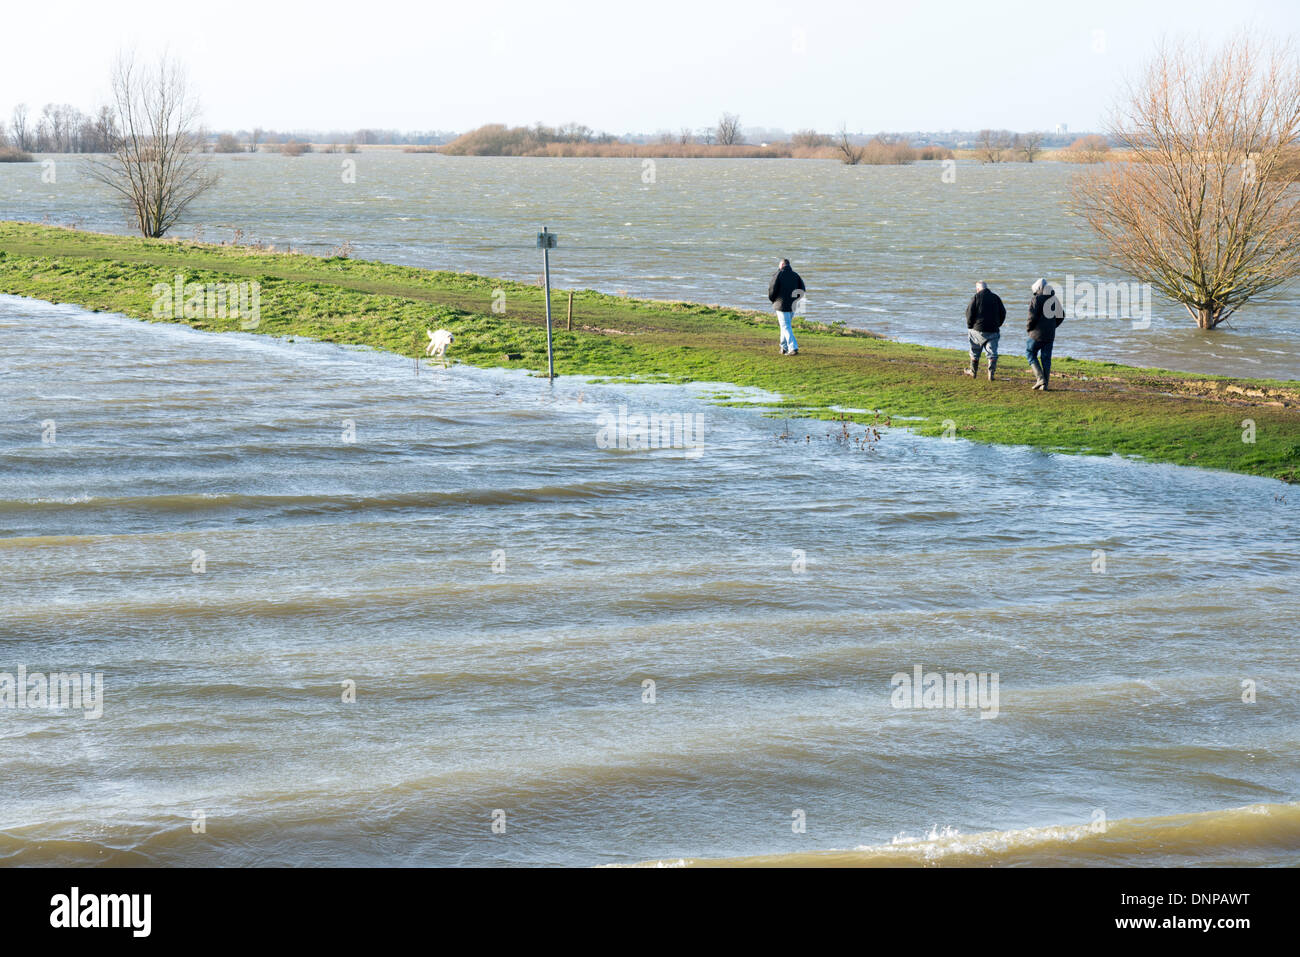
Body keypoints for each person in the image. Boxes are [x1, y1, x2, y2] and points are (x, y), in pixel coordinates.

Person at [1026, 278, 1065, 390]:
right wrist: (1052, 326)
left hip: (1036, 335)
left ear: (1038, 289)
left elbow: (1031, 317)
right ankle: (1045, 385)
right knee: (1046, 359)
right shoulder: (1054, 299)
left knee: (1030, 353)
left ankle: (1040, 379)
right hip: (1049, 334)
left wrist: (1029, 329)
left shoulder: (1036, 299)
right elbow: (1061, 316)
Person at [964, 281, 1006, 380]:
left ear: (978, 289)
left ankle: (973, 372)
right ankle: (990, 374)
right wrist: (998, 324)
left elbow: (969, 313)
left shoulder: (976, 297)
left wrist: (970, 326)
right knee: (992, 353)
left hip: (977, 330)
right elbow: (1003, 313)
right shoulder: (996, 297)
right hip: (993, 330)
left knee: (975, 351)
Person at [767, 258, 806, 355]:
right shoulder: (796, 275)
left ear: (782, 265)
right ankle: (783, 347)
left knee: (785, 326)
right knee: (784, 326)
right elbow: (802, 290)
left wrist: (773, 300)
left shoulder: (778, 274)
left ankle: (793, 348)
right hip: (792, 305)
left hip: (781, 305)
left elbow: (772, 289)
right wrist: (795, 299)